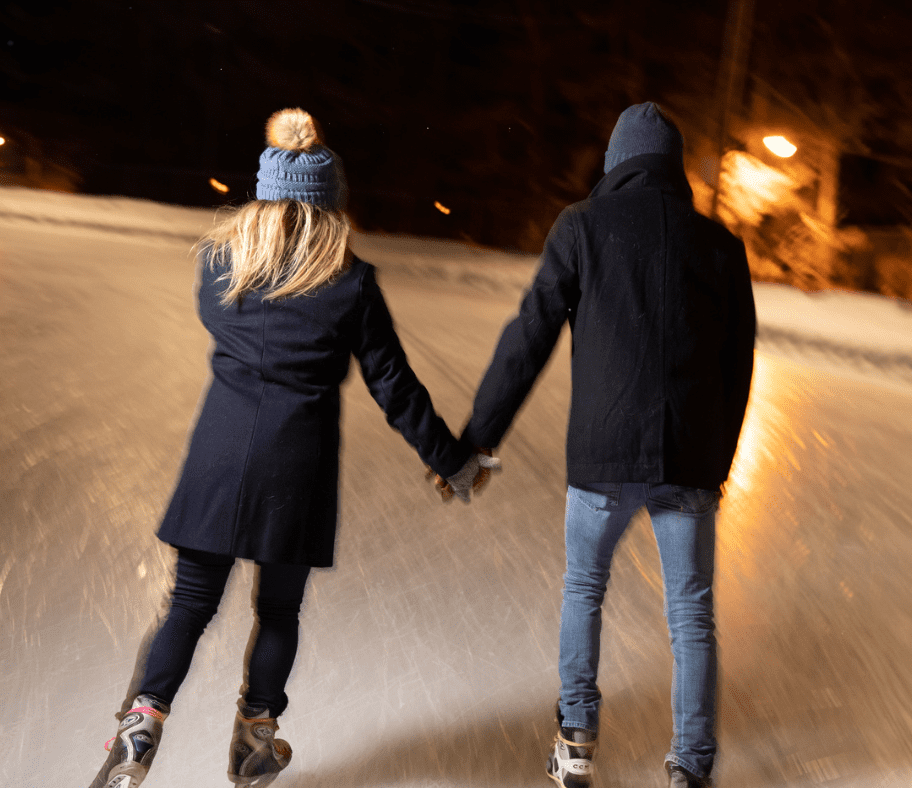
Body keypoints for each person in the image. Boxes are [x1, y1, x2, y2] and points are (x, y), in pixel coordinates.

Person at [87, 108, 497, 788]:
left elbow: (220, 317)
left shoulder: (221, 266)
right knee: (277, 611)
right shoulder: (351, 283)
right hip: (296, 467)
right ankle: (255, 743)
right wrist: (450, 460)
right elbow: (393, 386)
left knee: (189, 603)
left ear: (264, 194)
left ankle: (138, 734)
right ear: (331, 206)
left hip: (220, 455)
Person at [460, 103, 756, 788]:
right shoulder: (719, 245)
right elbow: (737, 364)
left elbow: (529, 336)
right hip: (687, 457)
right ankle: (692, 765)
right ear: (674, 168)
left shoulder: (581, 227)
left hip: (602, 454)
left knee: (584, 590)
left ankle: (575, 745)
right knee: (692, 615)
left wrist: (477, 438)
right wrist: (718, 460)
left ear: (616, 163)